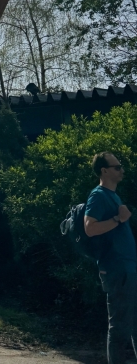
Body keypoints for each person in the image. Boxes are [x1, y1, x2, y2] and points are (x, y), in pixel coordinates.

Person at [85, 152, 136, 364]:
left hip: (128, 269)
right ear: (104, 171)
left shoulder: (113, 195)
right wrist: (118, 218)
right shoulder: (98, 195)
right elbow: (89, 228)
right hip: (117, 270)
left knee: (133, 324)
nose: (122, 169)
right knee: (119, 329)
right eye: (117, 167)